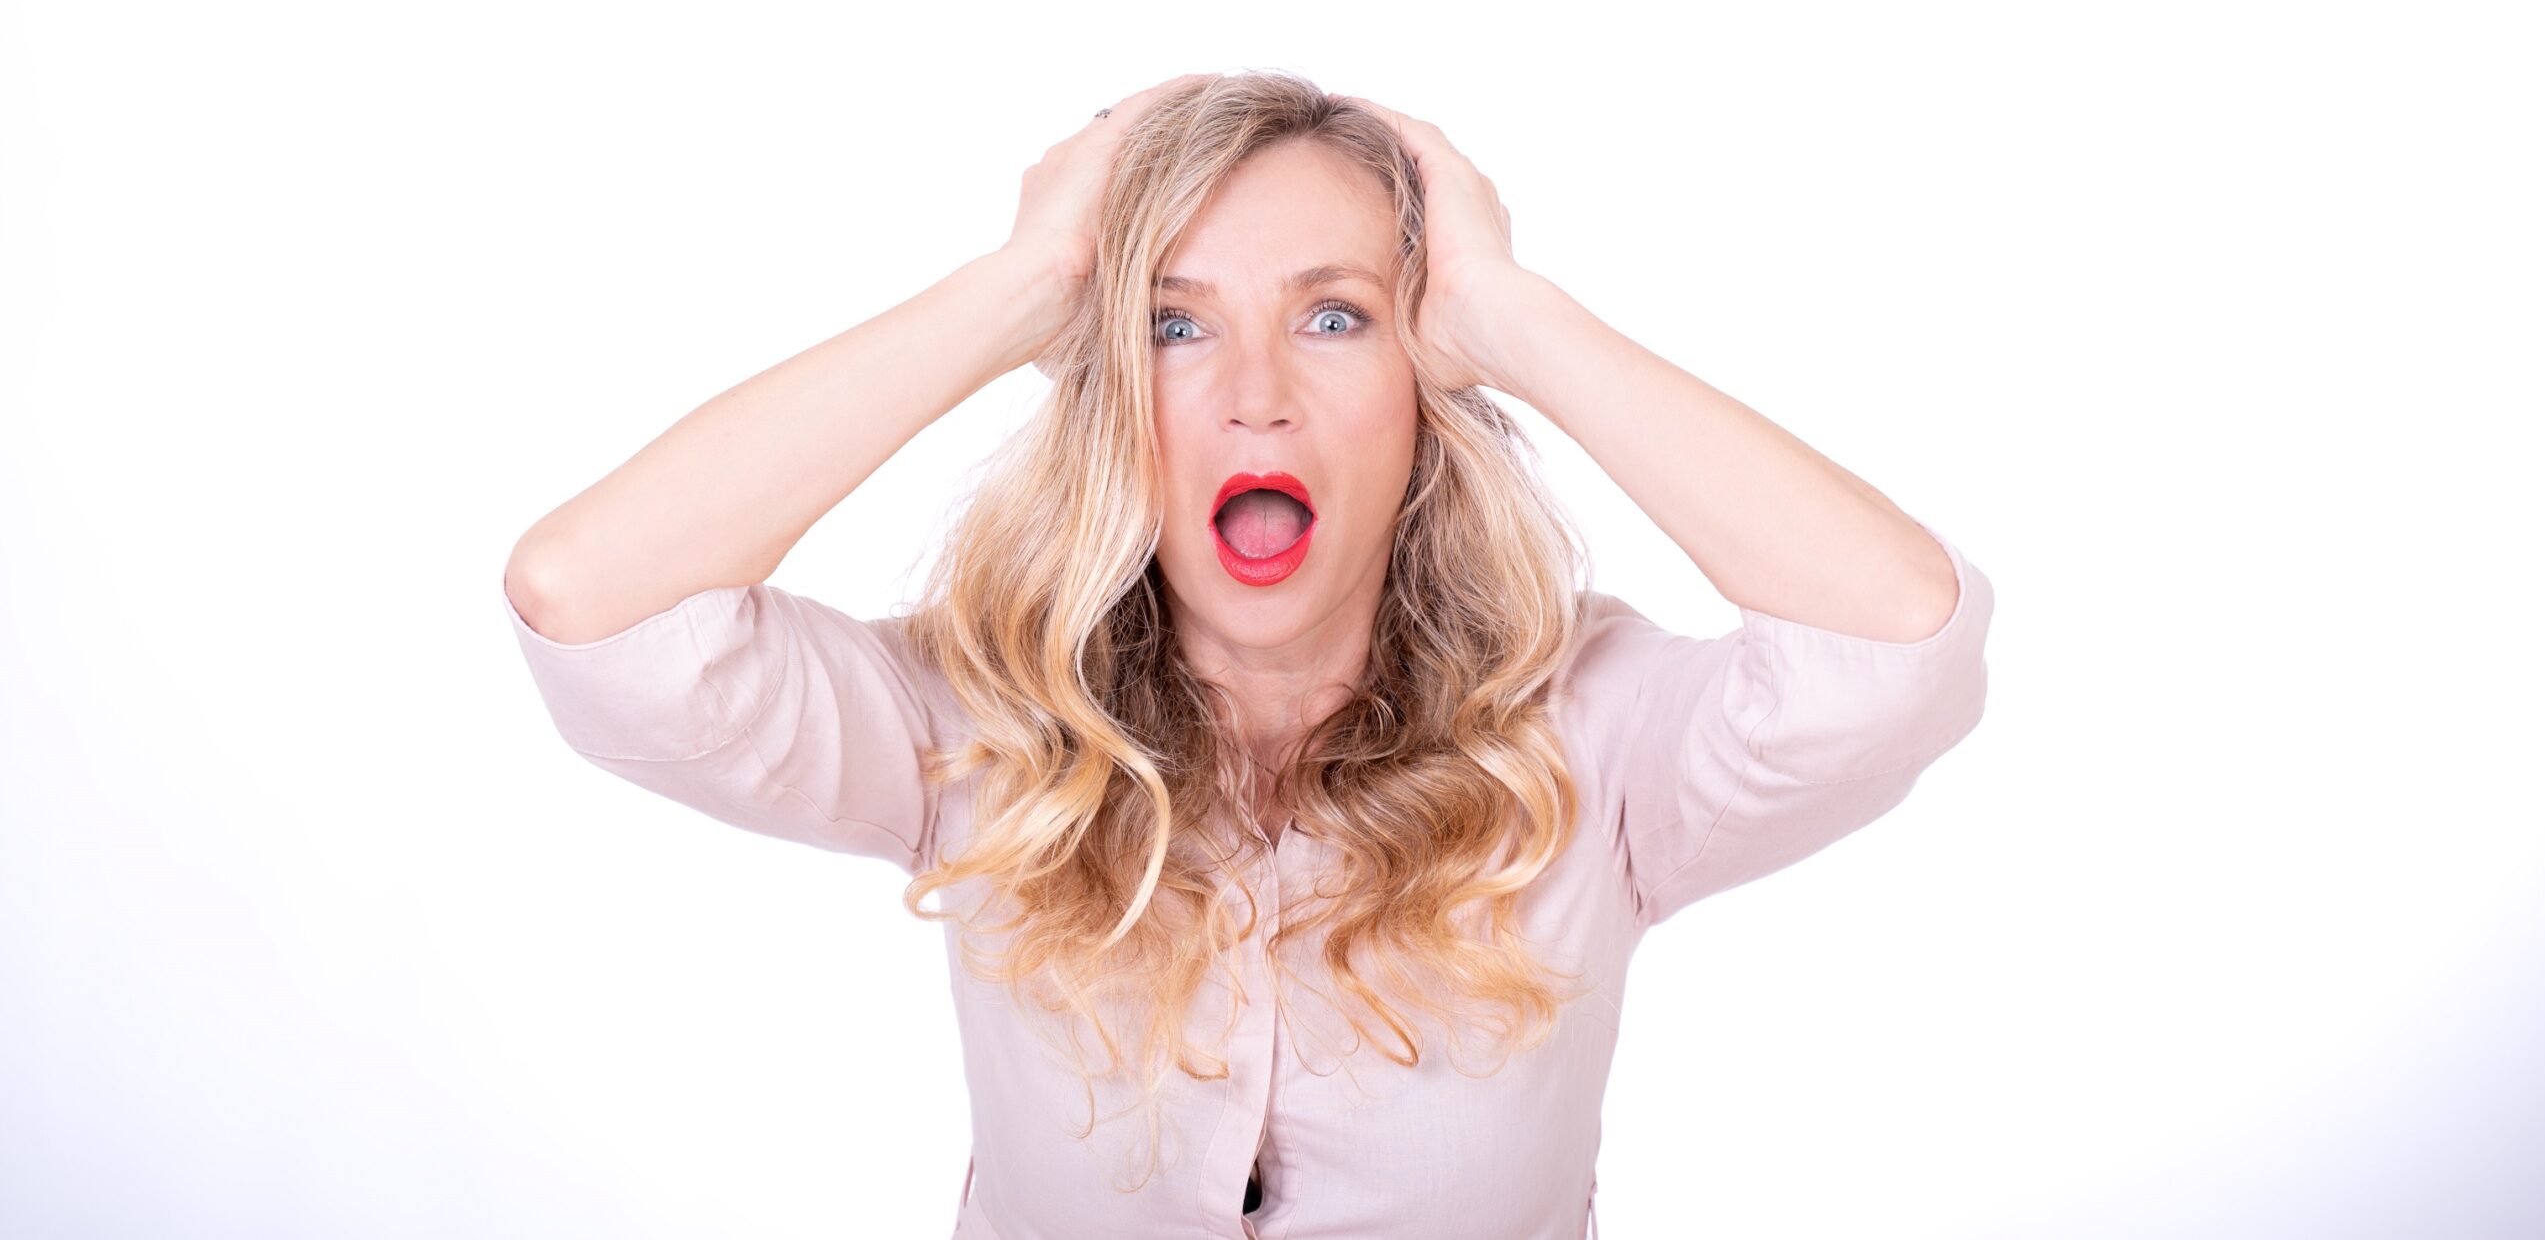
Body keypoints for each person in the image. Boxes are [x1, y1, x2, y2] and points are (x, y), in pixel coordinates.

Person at [498, 70, 1996, 1239]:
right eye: (1174, 326)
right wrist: (1022, 285)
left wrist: (1509, 311)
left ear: (1424, 380)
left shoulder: (1589, 737)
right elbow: (592, 606)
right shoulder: (976, 723)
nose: (1256, 395)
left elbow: (1896, 643)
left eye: (1335, 317)